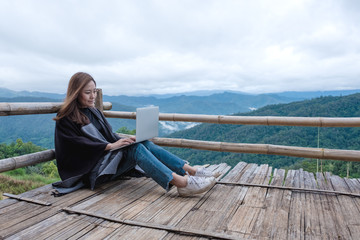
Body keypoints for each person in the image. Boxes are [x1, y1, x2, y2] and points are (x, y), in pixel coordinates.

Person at [52, 72, 220, 197]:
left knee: (142, 143)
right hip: (90, 172)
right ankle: (182, 183)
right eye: (87, 92)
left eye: (94, 91)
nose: (93, 96)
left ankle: (191, 171)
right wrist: (109, 146)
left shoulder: (94, 112)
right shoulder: (66, 119)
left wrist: (122, 140)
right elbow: (76, 147)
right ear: (75, 93)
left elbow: (107, 136)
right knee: (135, 149)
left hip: (104, 161)